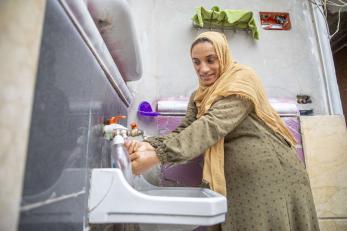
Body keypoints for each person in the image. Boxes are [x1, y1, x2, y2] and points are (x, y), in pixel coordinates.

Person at [125, 31, 319, 231]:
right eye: (196, 62)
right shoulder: (199, 95)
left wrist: (156, 156)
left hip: (271, 175)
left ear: (223, 55)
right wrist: (147, 145)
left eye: (211, 60)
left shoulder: (241, 79)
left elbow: (211, 125)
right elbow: (186, 130)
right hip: (237, 181)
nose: (203, 69)